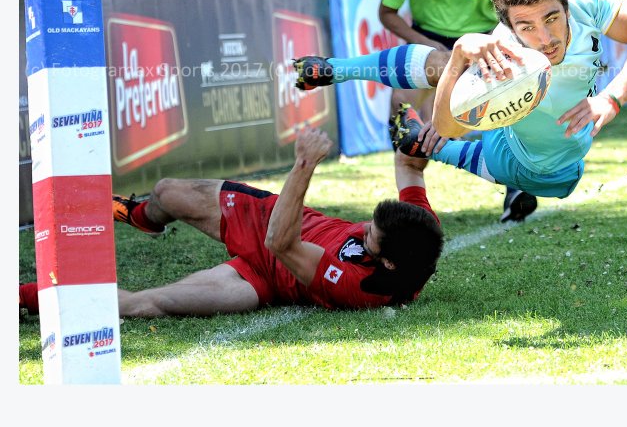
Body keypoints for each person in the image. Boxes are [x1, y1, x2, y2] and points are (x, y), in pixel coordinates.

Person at [293, 0, 627, 223]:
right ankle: (333, 69)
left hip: (547, 165)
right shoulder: (506, 54)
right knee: (447, 69)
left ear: (565, 2)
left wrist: (610, 99)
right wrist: (461, 55)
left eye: (552, 18)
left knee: (445, 122)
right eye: (527, 26)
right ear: (510, 27)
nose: (545, 38)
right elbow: (448, 125)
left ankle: (420, 139)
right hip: (519, 159)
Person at [19, 128, 443, 317]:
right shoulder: (419, 227)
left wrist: (304, 164)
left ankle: (21, 297)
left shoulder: (361, 288)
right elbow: (409, 164)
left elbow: (280, 243)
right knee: (166, 191)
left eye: (369, 236)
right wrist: (428, 136)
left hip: (262, 276)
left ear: (388, 263)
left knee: (146, 304)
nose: (362, 230)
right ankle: (142, 217)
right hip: (271, 218)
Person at [378, 0, 525, 219]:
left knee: (512, 108)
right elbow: (386, 13)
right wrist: (423, 42)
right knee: (400, 103)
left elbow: (514, 15)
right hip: (429, 40)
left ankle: (517, 184)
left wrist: (494, 45)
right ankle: (412, 201)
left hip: (484, 42)